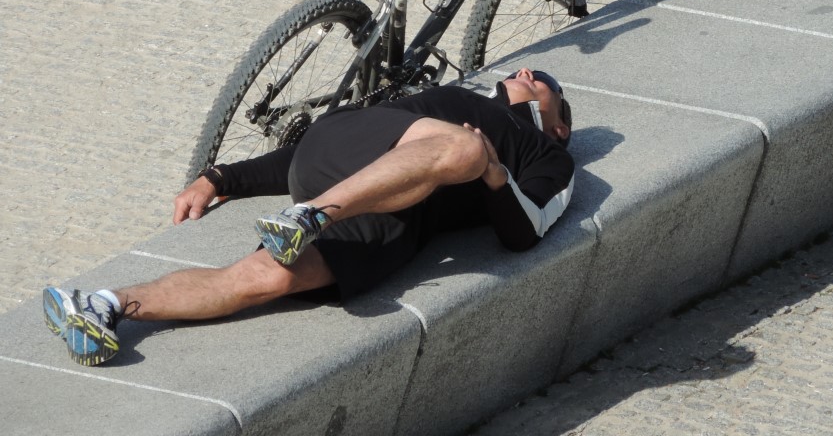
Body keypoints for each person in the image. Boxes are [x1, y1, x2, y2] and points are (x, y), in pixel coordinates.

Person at [41, 68, 575, 367]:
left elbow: (525, 232)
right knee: (461, 148)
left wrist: (495, 175)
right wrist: (223, 177)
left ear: (560, 129)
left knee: (267, 277)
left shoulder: (548, 157)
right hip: (340, 152)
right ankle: (310, 216)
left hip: (391, 219)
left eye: (544, 81)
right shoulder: (454, 96)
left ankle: (102, 305)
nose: (528, 73)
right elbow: (319, 149)